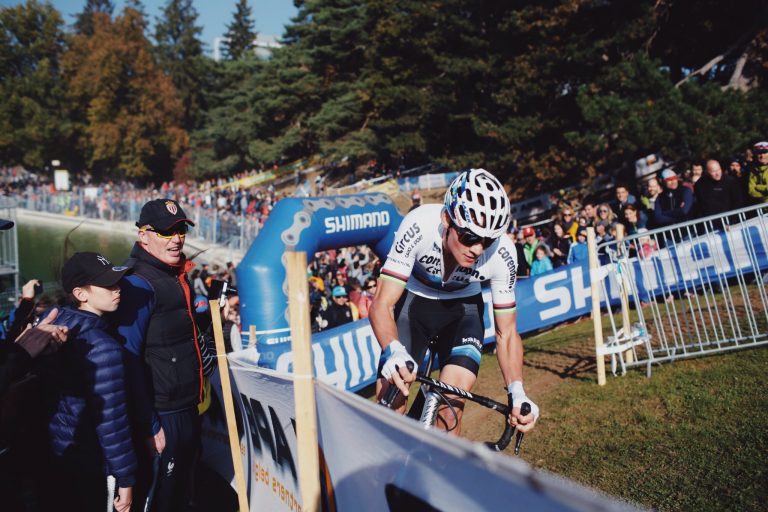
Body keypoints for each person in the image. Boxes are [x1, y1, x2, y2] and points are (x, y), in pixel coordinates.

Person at [369, 168, 538, 437]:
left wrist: (517, 391)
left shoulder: (503, 253)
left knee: (450, 410)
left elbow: (506, 334)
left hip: (463, 312)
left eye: (488, 240)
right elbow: (381, 303)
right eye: (469, 236)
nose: (477, 249)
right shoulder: (419, 225)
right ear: (447, 219)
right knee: (392, 401)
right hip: (414, 305)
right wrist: (393, 349)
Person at [114, 198, 203, 512]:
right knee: (160, 498)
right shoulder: (137, 282)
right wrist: (150, 424)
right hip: (162, 413)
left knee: (180, 494)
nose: (177, 238)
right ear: (143, 236)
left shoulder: (174, 274)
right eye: (167, 232)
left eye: (181, 229)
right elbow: (128, 359)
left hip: (186, 404)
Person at [46, 252, 136, 512]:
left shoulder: (54, 326)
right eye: (107, 285)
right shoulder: (103, 348)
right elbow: (112, 422)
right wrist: (126, 478)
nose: (117, 290)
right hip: (92, 462)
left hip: (59, 452)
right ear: (81, 294)